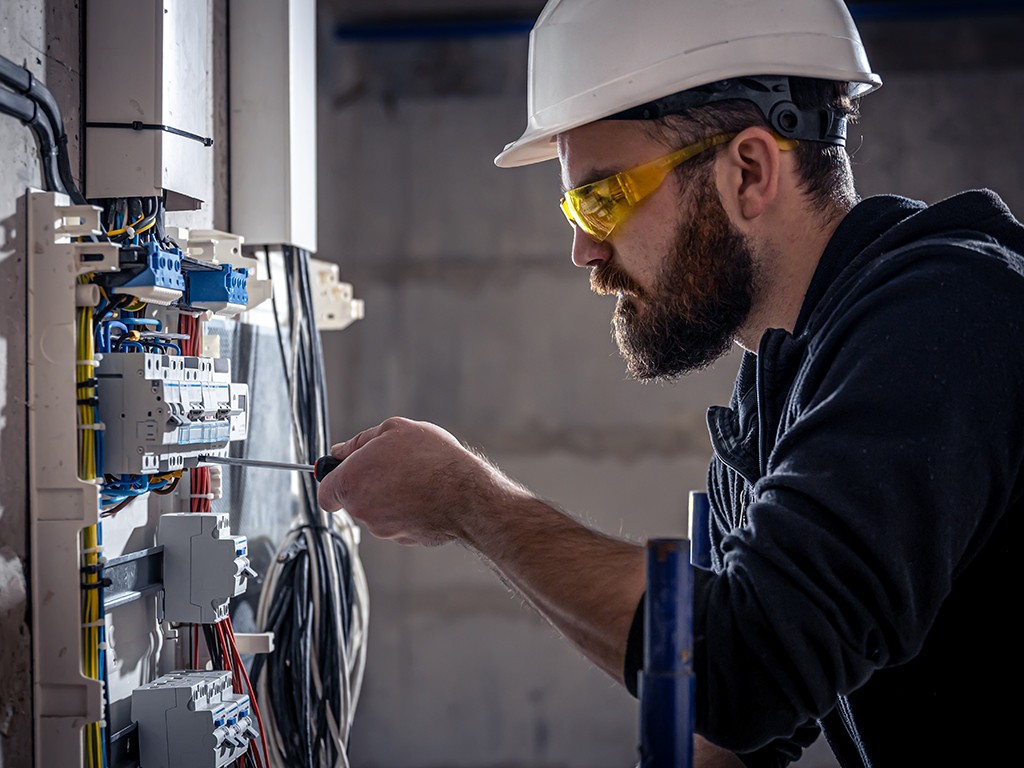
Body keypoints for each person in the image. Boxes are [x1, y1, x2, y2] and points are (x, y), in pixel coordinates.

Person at [317, 0, 1024, 765]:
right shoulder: (781, 390)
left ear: (749, 171)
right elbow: (730, 723)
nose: (585, 250)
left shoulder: (949, 318)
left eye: (604, 197)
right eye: (574, 206)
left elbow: (747, 663)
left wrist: (470, 501)